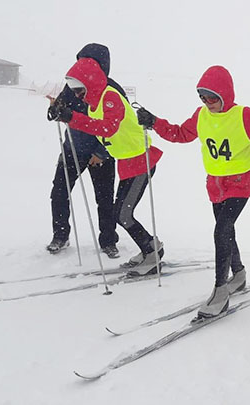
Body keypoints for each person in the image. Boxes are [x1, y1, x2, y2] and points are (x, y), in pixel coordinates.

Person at [136, 65, 250, 317]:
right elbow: (180, 134)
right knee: (226, 229)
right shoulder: (201, 116)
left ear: (225, 94)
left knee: (221, 229)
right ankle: (239, 273)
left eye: (212, 97)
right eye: (202, 97)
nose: (208, 102)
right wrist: (154, 122)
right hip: (216, 183)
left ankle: (220, 291)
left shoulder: (243, 115)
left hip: (241, 180)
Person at [48, 56, 164, 276]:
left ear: (91, 82)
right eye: (73, 88)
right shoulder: (94, 103)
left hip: (141, 161)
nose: (76, 93)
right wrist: (63, 113)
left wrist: (72, 118)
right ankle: (150, 248)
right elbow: (98, 128)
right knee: (120, 213)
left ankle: (152, 252)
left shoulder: (110, 96)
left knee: (122, 214)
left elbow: (108, 128)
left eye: (79, 88)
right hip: (128, 163)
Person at [46, 44, 121, 258]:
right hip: (73, 149)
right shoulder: (72, 87)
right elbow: (62, 108)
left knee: (105, 198)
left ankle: (108, 240)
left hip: (102, 153)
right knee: (59, 192)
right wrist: (55, 109)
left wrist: (101, 153)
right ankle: (60, 235)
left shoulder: (112, 91)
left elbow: (117, 128)